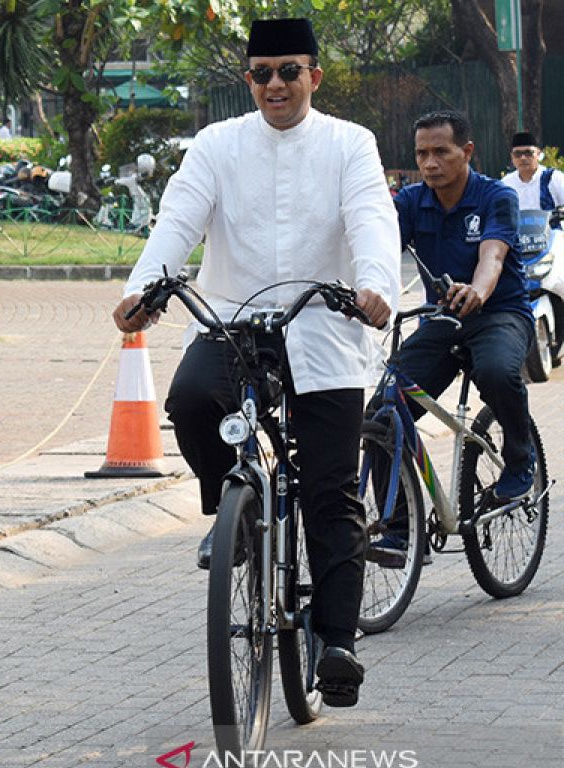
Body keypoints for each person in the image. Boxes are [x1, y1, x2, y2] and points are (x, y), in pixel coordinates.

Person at [112, 18, 400, 708]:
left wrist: (376, 288)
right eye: (261, 74)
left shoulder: (348, 144)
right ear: (248, 80)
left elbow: (369, 219)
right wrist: (141, 291)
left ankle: (336, 644)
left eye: (289, 71)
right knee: (188, 400)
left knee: (330, 492)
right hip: (235, 325)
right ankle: (231, 513)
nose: (275, 85)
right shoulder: (216, 144)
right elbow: (177, 221)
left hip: (327, 331)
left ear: (314, 76)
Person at [371, 111, 535, 558]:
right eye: (421, 153)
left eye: (440, 152)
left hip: (499, 313)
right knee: (383, 413)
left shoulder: (496, 196)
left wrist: (478, 291)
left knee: (498, 371)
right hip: (441, 321)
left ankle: (520, 461)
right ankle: (402, 530)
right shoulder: (409, 201)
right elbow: (375, 246)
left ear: (467, 152)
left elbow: (493, 257)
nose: (429, 163)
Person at [500, 131, 564, 223]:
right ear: (512, 157)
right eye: (517, 154)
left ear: (538, 154)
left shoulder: (554, 178)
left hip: (552, 233)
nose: (523, 158)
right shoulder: (506, 184)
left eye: (528, 153)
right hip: (517, 234)